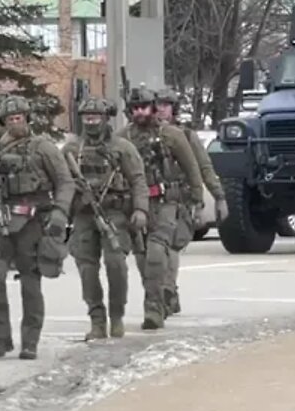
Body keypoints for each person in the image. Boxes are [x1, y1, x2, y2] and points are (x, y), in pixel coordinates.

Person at [0, 95, 75, 359]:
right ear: (3, 122)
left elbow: (65, 182)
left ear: (27, 118)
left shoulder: (42, 147)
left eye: (20, 118)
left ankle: (30, 342)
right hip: (0, 221)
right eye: (11, 119)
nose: (16, 122)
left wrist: (60, 214)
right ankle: (0, 339)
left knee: (30, 282)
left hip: (33, 221)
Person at [115, 87, 204, 330]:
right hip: (135, 206)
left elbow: (192, 168)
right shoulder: (123, 138)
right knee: (143, 260)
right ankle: (158, 299)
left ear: (153, 108)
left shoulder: (172, 135)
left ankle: (153, 309)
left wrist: (197, 198)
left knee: (156, 253)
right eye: (134, 109)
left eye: (143, 107)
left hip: (166, 203)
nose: (139, 112)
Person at [64, 98, 149, 340]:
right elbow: (61, 183)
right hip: (83, 215)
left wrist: (140, 210)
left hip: (115, 214)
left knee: (116, 265)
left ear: (105, 118)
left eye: (96, 117)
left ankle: (117, 316)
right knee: (87, 269)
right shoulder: (71, 150)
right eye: (87, 118)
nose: (91, 122)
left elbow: (138, 181)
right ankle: (97, 319)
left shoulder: (122, 148)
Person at [152, 87, 228, 315]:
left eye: (166, 105)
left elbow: (203, 167)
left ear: (173, 109)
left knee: (172, 248)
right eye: (157, 105)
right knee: (154, 252)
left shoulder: (185, 136)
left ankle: (167, 292)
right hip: (153, 200)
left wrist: (219, 196)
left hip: (180, 200)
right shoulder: (145, 135)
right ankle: (163, 293)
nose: (161, 110)